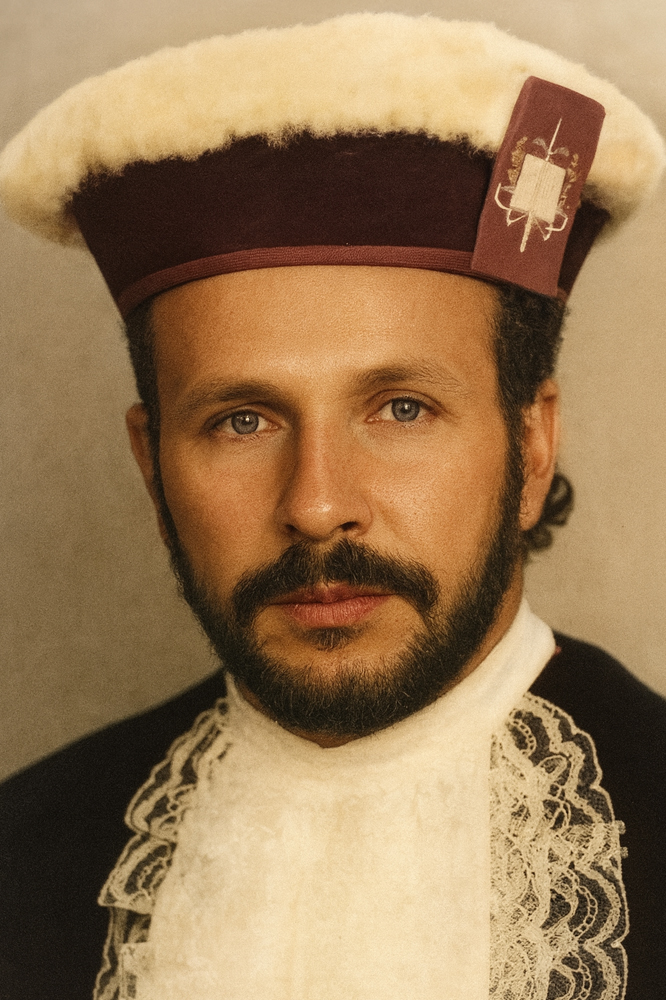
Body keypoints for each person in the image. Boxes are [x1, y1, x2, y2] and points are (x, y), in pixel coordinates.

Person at [0, 13, 664, 1000]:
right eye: (241, 421)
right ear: (152, 467)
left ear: (531, 447)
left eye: (402, 409)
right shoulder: (24, 853)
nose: (316, 506)